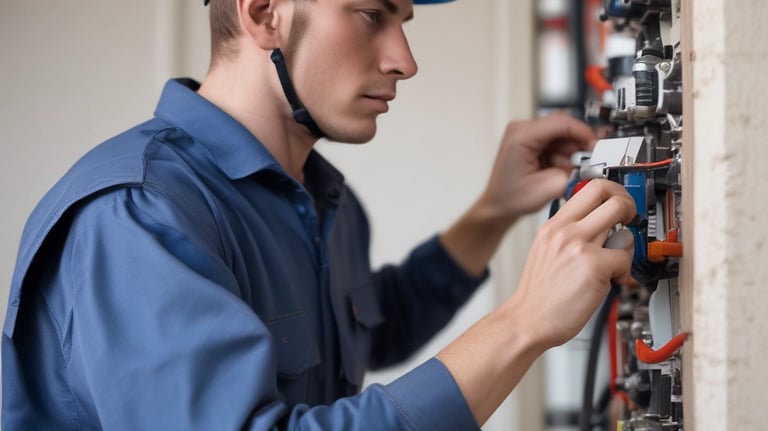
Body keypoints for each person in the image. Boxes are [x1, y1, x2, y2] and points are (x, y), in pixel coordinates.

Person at [1, 0, 636, 429]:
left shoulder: (321, 198)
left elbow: (371, 331)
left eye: (404, 19)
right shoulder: (138, 216)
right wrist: (524, 322)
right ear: (263, 12)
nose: (405, 60)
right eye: (369, 13)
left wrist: (493, 213)